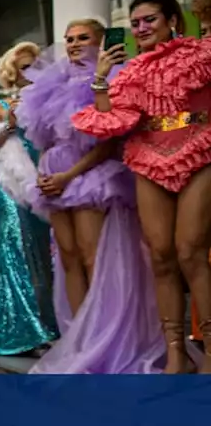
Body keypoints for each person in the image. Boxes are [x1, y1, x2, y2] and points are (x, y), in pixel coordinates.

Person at [73, 0, 211, 374]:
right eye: (135, 23)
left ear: (172, 20)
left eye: (149, 19)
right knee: (161, 256)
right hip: (148, 156)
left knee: (190, 252)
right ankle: (175, 355)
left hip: (199, 149)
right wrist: (101, 78)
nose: (141, 28)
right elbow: (110, 122)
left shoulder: (201, 55)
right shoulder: (130, 72)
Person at [18, 20, 162, 373]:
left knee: (92, 256)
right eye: (69, 39)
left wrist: (68, 175)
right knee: (68, 259)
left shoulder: (114, 79)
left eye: (83, 38)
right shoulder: (51, 84)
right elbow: (44, 139)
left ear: (101, 42)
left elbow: (111, 140)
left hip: (91, 175)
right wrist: (46, 174)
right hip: (55, 176)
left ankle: (104, 337)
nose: (74, 44)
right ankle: (77, 338)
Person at [0, 42, 57, 356]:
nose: (30, 73)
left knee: (40, 251)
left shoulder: (50, 99)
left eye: (35, 65)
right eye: (24, 67)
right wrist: (9, 126)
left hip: (45, 179)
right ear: (12, 71)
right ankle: (20, 331)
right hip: (8, 182)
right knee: (13, 247)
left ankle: (45, 326)